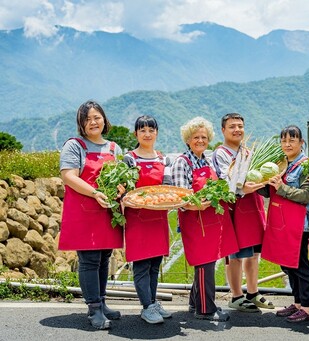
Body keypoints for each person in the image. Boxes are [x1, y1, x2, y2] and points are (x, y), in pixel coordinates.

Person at [165, 116, 239, 322]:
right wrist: (196, 203)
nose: (200, 140)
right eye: (196, 137)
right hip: (195, 220)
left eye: (204, 137)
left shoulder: (206, 159)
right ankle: (205, 310)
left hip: (211, 219)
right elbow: (181, 195)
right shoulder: (183, 162)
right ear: (188, 139)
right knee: (204, 262)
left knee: (207, 261)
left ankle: (194, 303)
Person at [59, 100, 123, 330]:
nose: (93, 122)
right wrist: (95, 192)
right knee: (89, 260)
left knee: (105, 257)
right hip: (85, 211)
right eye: (87, 119)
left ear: (104, 119)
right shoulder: (75, 145)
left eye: (96, 117)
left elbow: (122, 178)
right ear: (81, 124)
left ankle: (102, 303)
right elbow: (69, 176)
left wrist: (122, 188)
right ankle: (94, 308)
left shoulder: (114, 148)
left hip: (107, 211)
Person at [212, 113, 273, 313]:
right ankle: (236, 295)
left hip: (253, 206)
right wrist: (242, 187)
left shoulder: (249, 152)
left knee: (253, 254)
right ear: (223, 130)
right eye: (232, 126)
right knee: (234, 255)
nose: (237, 129)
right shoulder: (221, 153)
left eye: (240, 126)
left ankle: (253, 293)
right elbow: (225, 180)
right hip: (234, 209)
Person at [259, 125, 309, 323]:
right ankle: (298, 303)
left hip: (299, 225)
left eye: (292, 140)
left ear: (301, 143)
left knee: (300, 265)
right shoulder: (280, 164)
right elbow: (269, 192)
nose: (287, 144)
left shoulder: (305, 165)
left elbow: (307, 195)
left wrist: (282, 188)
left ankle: (307, 308)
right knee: (287, 265)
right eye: (284, 140)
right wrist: (257, 181)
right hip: (281, 222)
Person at [122, 115, 172, 324]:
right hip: (138, 218)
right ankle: (146, 307)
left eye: (151, 130)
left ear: (157, 133)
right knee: (142, 264)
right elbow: (125, 188)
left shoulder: (163, 159)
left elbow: (168, 186)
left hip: (159, 217)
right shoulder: (130, 159)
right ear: (136, 134)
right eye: (142, 130)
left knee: (155, 263)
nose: (147, 134)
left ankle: (152, 302)